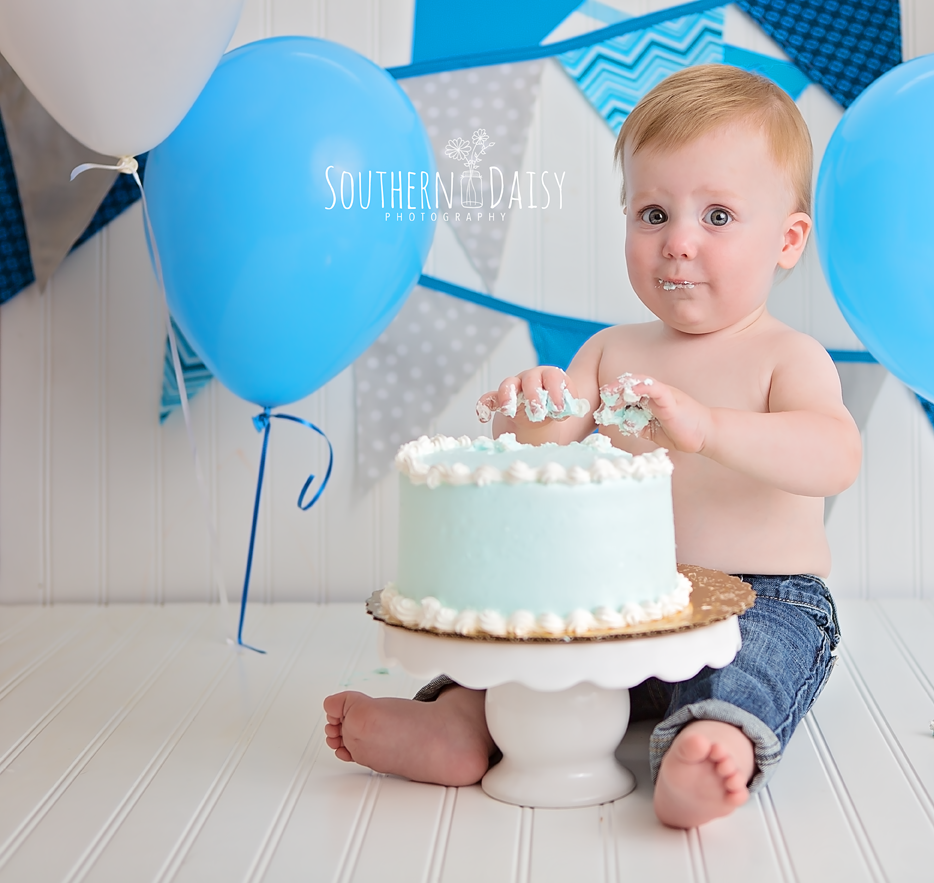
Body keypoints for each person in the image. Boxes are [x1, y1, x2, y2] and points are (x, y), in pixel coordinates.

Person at [323, 64, 862, 828]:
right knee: (538, 659)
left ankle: (710, 747)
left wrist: (709, 428)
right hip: (621, 595)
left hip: (762, 596)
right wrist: (530, 406)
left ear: (787, 239)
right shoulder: (612, 351)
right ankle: (460, 720)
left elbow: (833, 453)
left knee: (752, 671)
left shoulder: (786, 356)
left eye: (716, 217)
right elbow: (550, 439)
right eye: (652, 213)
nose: (677, 243)